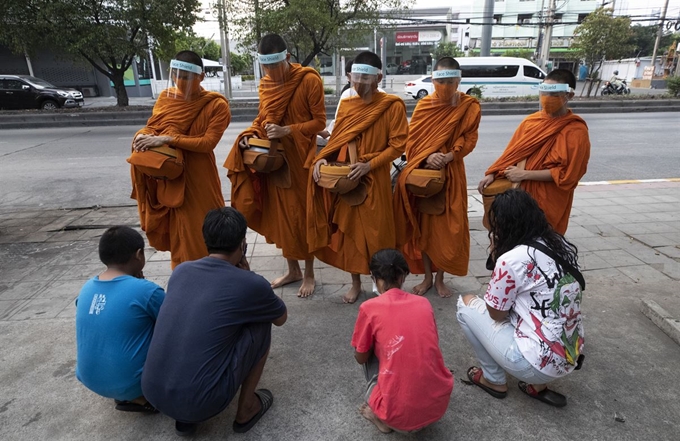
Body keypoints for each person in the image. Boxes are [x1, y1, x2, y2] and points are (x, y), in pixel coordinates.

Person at [142, 207, 287, 436]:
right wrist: (250, 278)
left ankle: (185, 418)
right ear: (242, 245)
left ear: (205, 240)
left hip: (152, 391)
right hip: (204, 403)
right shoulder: (251, 284)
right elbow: (281, 317)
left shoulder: (181, 271)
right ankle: (246, 409)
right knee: (262, 320)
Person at [457, 189, 584, 408]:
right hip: (570, 356)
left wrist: (497, 258)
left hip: (534, 364)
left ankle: (493, 380)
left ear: (503, 226)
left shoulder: (511, 259)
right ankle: (538, 386)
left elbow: (495, 313)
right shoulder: (556, 245)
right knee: (539, 312)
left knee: (465, 303)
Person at [224, 34, 325, 298]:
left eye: (275, 66)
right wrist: (250, 134)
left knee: (304, 217)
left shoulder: (309, 80)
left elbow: (319, 123)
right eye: (266, 67)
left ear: (287, 58)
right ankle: (293, 270)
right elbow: (263, 118)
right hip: (274, 160)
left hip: (301, 160)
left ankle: (310, 272)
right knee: (281, 217)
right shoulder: (266, 84)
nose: (271, 73)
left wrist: (287, 130)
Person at [308, 51, 408, 304]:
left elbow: (397, 146)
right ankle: (355, 284)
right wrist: (321, 158)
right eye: (356, 78)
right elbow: (336, 138)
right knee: (350, 236)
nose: (360, 84)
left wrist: (369, 165)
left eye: (367, 78)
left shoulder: (391, 105)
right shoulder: (348, 104)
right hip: (348, 179)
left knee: (379, 235)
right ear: (350, 77)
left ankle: (383, 287)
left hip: (376, 182)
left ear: (379, 78)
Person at [131, 50, 231, 269]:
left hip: (200, 179)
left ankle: (214, 277)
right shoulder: (166, 98)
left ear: (201, 77)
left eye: (186, 77)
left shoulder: (216, 105)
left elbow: (207, 143)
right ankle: (185, 277)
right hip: (172, 177)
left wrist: (169, 139)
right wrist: (142, 134)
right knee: (180, 234)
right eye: (176, 75)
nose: (180, 81)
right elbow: (154, 127)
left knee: (208, 231)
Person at [394, 57, 481, 298]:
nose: (445, 86)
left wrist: (449, 156)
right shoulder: (424, 106)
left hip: (452, 174)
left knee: (448, 229)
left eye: (450, 82)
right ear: (433, 81)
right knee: (424, 228)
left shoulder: (469, 106)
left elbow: (469, 139)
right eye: (440, 82)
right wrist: (428, 155)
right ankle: (427, 277)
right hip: (426, 175)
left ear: (458, 81)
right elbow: (411, 143)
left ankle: (441, 278)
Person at [478, 69, 590, 235]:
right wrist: (493, 173)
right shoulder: (531, 122)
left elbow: (568, 175)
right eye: (544, 93)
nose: (547, 99)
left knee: (542, 242)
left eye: (555, 94)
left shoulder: (575, 130)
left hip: (550, 199)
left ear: (569, 95)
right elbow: (512, 154)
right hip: (520, 197)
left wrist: (525, 174)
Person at [351, 249, 453, 433]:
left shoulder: (369, 308)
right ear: (403, 276)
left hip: (395, 415)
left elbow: (360, 358)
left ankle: (382, 419)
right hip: (437, 407)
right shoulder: (424, 303)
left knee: (365, 348)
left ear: (374, 277)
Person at [75, 226, 165, 413]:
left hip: (88, 378)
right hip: (132, 383)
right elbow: (174, 322)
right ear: (139, 255)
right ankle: (138, 396)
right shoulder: (147, 291)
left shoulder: (86, 287)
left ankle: (124, 391)